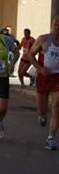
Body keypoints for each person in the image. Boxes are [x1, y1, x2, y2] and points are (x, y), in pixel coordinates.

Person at [28, 16, 59, 150]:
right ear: (52, 25)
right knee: (42, 110)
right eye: (56, 25)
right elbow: (30, 55)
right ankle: (42, 115)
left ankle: (50, 138)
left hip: (57, 79)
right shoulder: (43, 39)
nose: (57, 28)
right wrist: (40, 68)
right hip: (42, 77)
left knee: (57, 109)